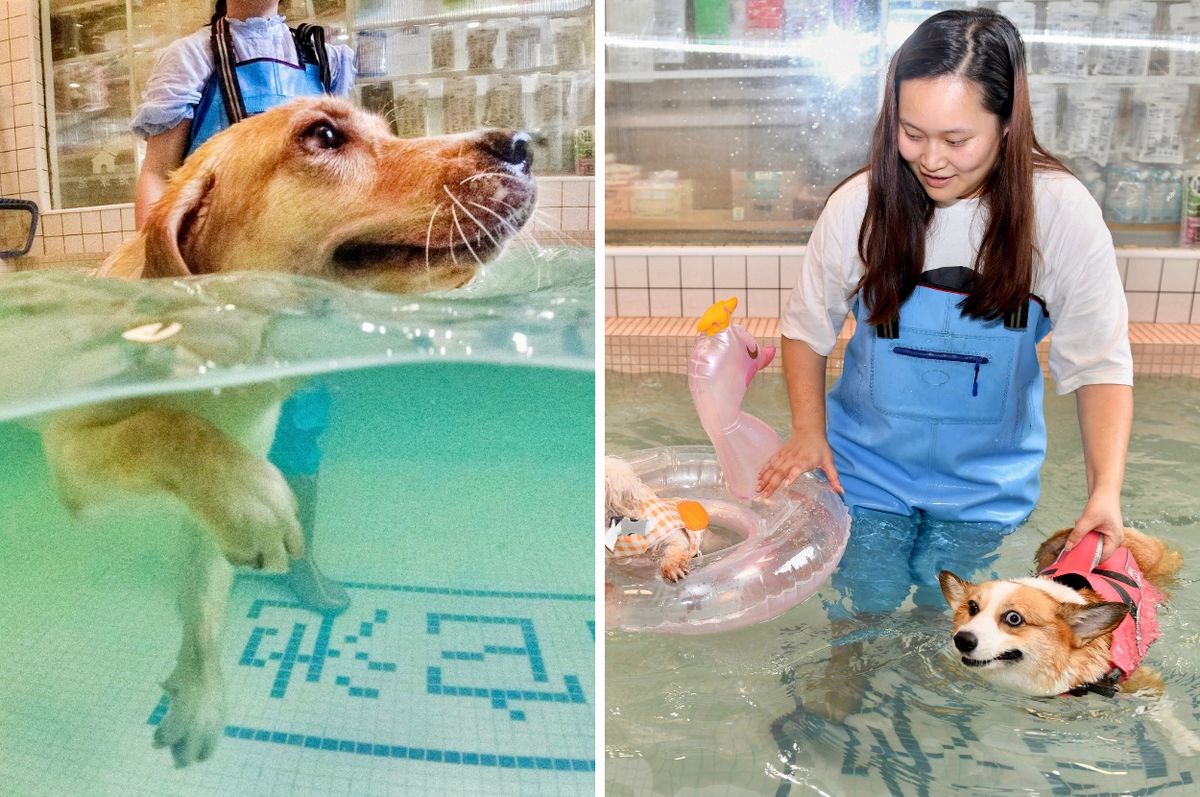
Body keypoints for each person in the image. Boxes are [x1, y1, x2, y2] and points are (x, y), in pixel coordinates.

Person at [757, 8, 1132, 625]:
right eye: (912, 132)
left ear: (1008, 123)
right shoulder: (861, 206)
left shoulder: (1060, 213)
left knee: (952, 623)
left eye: (957, 140)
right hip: (865, 474)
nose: (931, 159)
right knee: (861, 610)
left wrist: (1104, 494)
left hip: (986, 488)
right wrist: (807, 431)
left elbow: (1100, 365)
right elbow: (806, 329)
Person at [130, 0, 358, 613]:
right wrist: (168, 281)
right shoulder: (189, 58)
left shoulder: (327, 58)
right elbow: (158, 174)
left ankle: (297, 557)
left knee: (304, 422)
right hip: (215, 283)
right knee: (210, 425)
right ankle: (210, 563)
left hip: (303, 286)